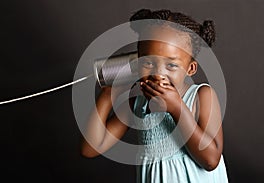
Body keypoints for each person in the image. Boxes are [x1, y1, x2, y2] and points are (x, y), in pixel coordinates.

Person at [81, 8, 228, 183]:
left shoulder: (201, 97)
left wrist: (177, 108)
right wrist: (108, 94)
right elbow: (90, 148)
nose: (158, 73)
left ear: (191, 69)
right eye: (148, 62)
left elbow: (211, 160)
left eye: (171, 65)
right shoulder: (137, 104)